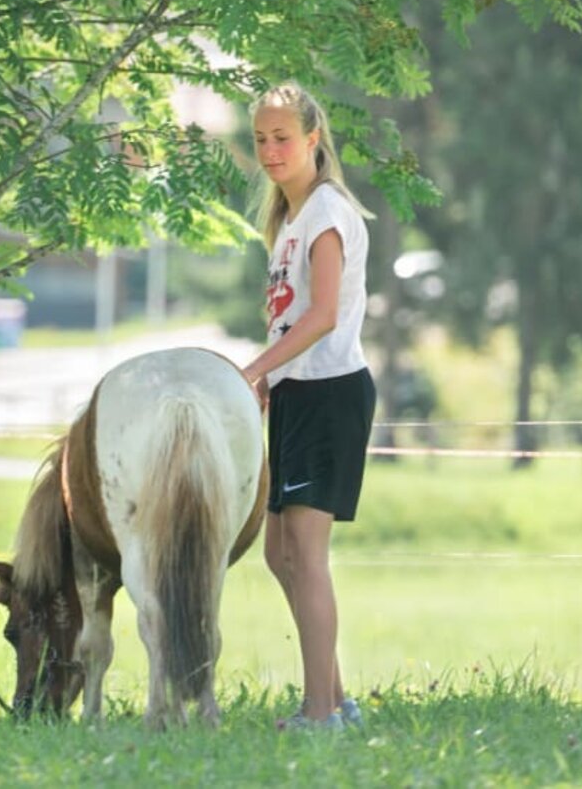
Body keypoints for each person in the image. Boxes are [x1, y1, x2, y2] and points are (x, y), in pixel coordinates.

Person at [240, 82, 377, 731]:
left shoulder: (326, 213)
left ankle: (321, 714)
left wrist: (255, 370)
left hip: (329, 395)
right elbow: (291, 320)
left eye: (282, 138)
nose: (270, 150)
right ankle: (336, 701)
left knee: (306, 554)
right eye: (261, 139)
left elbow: (323, 316)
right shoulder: (290, 220)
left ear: (313, 139)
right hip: (297, 394)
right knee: (278, 554)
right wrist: (272, 378)